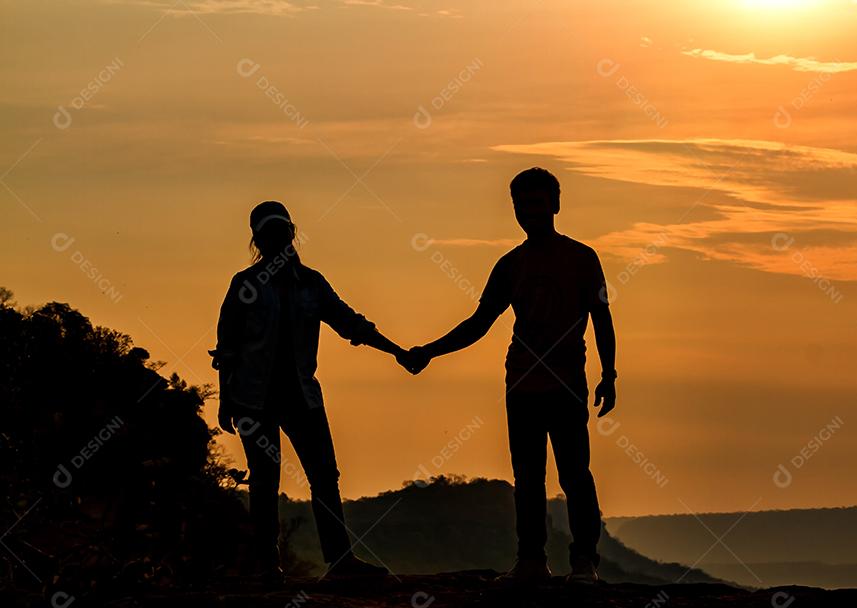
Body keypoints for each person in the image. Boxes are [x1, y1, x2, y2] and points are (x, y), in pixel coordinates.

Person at [401, 168, 617, 584]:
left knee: (575, 475)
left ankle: (584, 563)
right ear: (514, 209)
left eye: (537, 203)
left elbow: (602, 318)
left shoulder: (582, 259)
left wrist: (609, 374)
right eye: (522, 205)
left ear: (555, 205)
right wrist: (430, 350)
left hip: (569, 385)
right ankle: (532, 561)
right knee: (528, 477)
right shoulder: (510, 265)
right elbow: (479, 322)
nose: (530, 212)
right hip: (521, 386)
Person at [212, 200, 406, 584]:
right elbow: (227, 348)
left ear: (291, 233)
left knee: (324, 476)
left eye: (282, 232)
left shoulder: (312, 284)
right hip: (254, 399)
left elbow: (350, 323)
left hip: (301, 397)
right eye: (268, 234)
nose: (277, 240)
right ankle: (268, 567)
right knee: (265, 481)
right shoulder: (245, 285)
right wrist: (225, 401)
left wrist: (396, 351)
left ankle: (339, 561)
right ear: (257, 240)